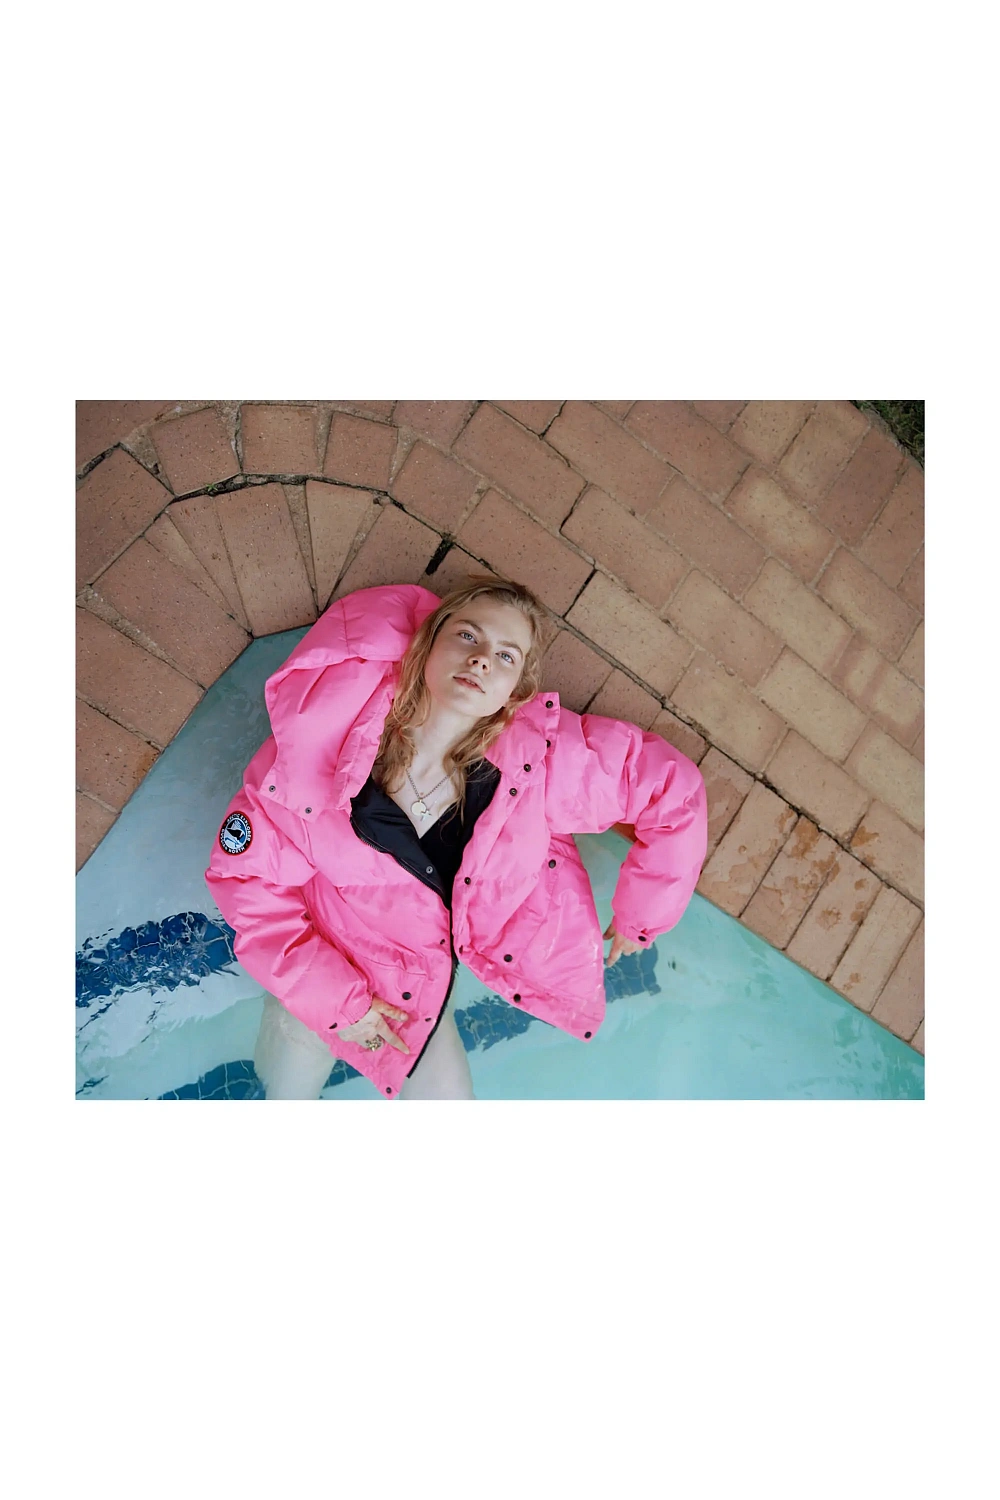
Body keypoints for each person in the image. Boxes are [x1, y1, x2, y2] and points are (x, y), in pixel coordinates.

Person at [205, 573, 708, 1100]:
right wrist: (337, 1004)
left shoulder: (543, 762)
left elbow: (671, 790)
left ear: (514, 693)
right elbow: (244, 880)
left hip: (417, 992)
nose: (483, 659)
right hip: (322, 971)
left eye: (506, 656)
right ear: (428, 642)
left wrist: (642, 916)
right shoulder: (322, 747)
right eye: (468, 635)